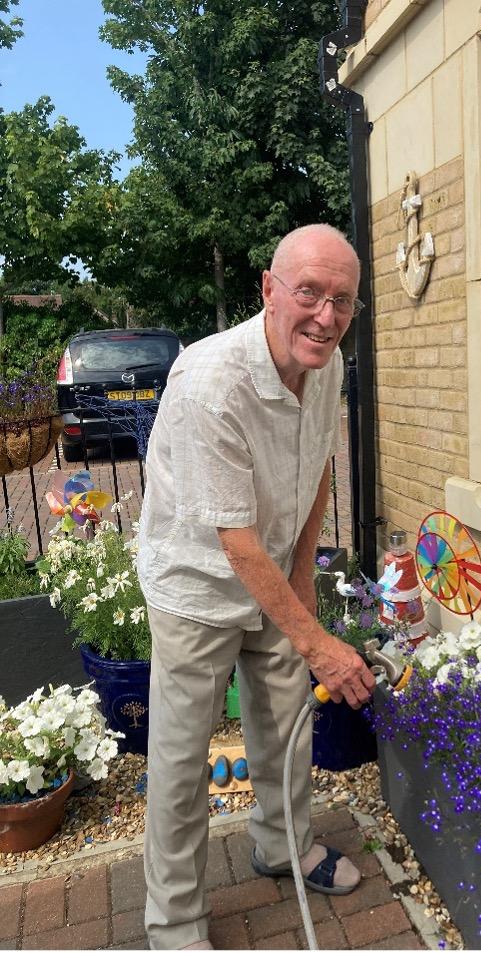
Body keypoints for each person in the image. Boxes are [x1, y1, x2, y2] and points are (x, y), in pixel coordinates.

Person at [137, 224, 376, 950]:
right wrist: (318, 641)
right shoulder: (211, 380)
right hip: (197, 587)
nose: (325, 316)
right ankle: (173, 921)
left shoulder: (326, 362)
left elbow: (316, 469)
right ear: (269, 291)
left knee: (285, 726)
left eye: (341, 300)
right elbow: (232, 539)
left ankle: (281, 845)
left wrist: (302, 586)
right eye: (308, 292)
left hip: (271, 577)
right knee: (181, 763)